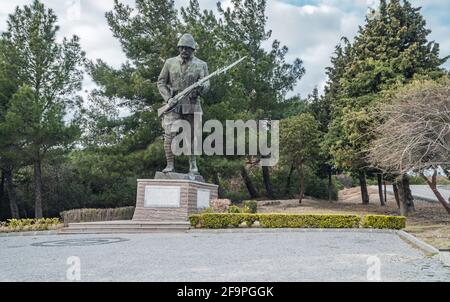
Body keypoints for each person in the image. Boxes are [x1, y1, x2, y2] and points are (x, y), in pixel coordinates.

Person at [157, 34, 210, 175]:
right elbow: (161, 82)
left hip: (192, 104)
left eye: (187, 48)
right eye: (182, 48)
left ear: (193, 49)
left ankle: (193, 165)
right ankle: (169, 165)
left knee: (192, 137)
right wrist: (168, 99)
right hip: (173, 104)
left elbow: (206, 83)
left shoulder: (201, 64)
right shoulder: (169, 63)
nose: (184, 51)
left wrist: (201, 88)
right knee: (169, 135)